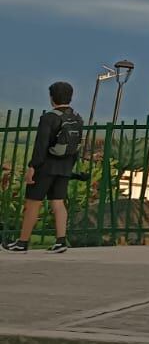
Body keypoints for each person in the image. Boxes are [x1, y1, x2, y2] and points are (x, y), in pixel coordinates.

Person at [5, 81, 83, 253]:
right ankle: (61, 241)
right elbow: (77, 145)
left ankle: (22, 242)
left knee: (33, 203)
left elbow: (41, 146)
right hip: (65, 167)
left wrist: (33, 167)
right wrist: (69, 166)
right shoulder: (77, 118)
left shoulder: (48, 118)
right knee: (58, 202)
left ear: (52, 97)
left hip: (46, 167)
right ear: (70, 97)